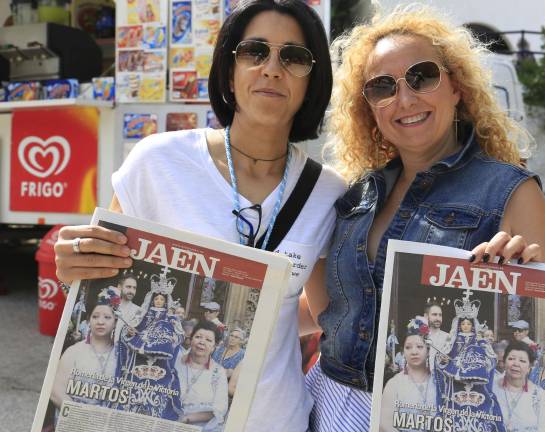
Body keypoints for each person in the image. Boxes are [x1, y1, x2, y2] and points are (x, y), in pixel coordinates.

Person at [52, 1, 343, 430]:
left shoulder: (329, 191)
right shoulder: (158, 162)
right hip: (162, 415)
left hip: (275, 419)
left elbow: (325, 316)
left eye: (294, 57)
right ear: (228, 70)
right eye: (254, 51)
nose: (272, 68)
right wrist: (72, 267)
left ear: (312, 81)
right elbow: (96, 288)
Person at [304, 6, 545, 430]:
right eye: (382, 87)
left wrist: (522, 280)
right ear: (369, 108)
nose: (404, 98)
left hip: (434, 410)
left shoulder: (513, 193)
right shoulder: (358, 195)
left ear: (456, 87)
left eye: (422, 76)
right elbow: (332, 311)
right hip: (329, 403)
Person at [111, 274, 184, 419]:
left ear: (165, 301)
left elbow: (180, 336)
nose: (158, 301)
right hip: (139, 359)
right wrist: (131, 332)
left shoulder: (171, 318)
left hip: (161, 363)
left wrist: (170, 340)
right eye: (156, 299)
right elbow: (128, 331)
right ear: (151, 300)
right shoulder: (142, 314)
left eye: (161, 299)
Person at [433, 292, 504, 431]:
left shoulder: (480, 342)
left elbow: (491, 360)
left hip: (477, 387)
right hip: (456, 385)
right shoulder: (451, 342)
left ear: (473, 325)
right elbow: (440, 360)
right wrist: (443, 360)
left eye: (468, 323)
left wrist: (482, 365)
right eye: (463, 323)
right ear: (459, 325)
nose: (466, 326)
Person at [50, 288, 120, 408]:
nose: (100, 322)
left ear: (115, 322)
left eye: (107, 317)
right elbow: (56, 390)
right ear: (88, 320)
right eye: (95, 317)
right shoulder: (74, 351)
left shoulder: (122, 355)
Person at [379, 317, 437, 432]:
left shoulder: (439, 382)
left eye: (420, 347)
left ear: (428, 350)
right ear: (403, 351)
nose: (414, 352)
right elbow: (384, 424)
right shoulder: (394, 384)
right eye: (408, 347)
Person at [175, 320, 229, 431]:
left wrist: (187, 419)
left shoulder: (218, 372)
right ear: (190, 340)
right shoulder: (175, 363)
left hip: (202, 427)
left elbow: (220, 409)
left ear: (214, 346)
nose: (202, 342)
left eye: (208, 340)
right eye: (198, 337)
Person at [492, 340, 545, 432]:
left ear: (530, 367)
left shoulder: (538, 395)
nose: (516, 364)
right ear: (504, 362)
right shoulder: (492, 389)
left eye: (522, 361)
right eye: (511, 359)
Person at [114, 273, 142, 343]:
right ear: (119, 287)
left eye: (134, 288)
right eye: (128, 287)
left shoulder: (139, 311)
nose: (131, 291)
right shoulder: (109, 306)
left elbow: (139, 335)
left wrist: (132, 333)